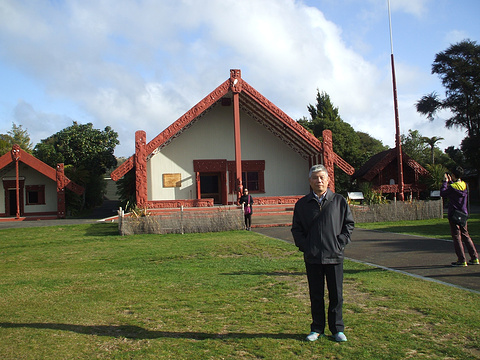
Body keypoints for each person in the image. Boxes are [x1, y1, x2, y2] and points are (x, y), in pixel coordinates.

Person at [291, 164, 354, 342]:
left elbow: (348, 225)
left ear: (328, 180)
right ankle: (317, 328)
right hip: (313, 257)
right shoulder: (302, 204)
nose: (318, 181)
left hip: (334, 255)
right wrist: (306, 246)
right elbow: (296, 229)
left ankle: (337, 329)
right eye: (315, 178)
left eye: (322, 177)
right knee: (316, 294)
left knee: (336, 295)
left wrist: (339, 243)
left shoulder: (339, 201)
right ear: (309, 181)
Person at [440, 166, 479, 267]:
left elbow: (443, 193)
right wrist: (451, 182)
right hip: (463, 213)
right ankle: (474, 257)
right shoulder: (465, 185)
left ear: (453, 175)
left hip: (454, 214)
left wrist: (445, 182)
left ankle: (461, 259)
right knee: (466, 235)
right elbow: (457, 189)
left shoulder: (452, 187)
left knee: (457, 236)